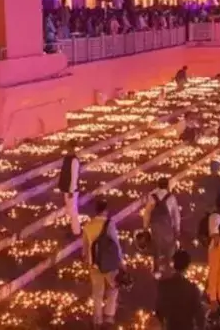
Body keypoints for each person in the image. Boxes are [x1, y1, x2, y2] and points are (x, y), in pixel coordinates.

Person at [83, 198, 124, 328]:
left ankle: (97, 319)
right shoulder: (109, 224)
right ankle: (109, 315)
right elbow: (116, 244)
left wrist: (87, 261)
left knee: (97, 292)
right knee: (113, 287)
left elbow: (85, 248)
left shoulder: (88, 226)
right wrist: (121, 261)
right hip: (109, 263)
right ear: (105, 210)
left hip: (94, 264)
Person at [155, 250, 206, 330]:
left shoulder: (163, 286)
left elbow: (159, 311)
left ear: (173, 264)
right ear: (187, 266)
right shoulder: (192, 288)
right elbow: (199, 315)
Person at [143, 177, 181, 277]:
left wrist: (145, 227)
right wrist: (177, 228)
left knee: (156, 248)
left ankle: (156, 270)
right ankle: (168, 268)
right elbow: (176, 214)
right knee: (169, 248)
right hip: (167, 228)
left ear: (158, 185)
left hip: (155, 227)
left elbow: (147, 213)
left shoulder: (152, 197)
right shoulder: (171, 198)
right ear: (167, 185)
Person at [58, 140, 81, 236]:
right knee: (70, 209)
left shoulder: (74, 160)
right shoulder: (67, 158)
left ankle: (76, 231)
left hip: (71, 190)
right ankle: (72, 228)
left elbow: (74, 176)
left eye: (68, 146)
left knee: (73, 210)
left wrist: (71, 190)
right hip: (67, 188)